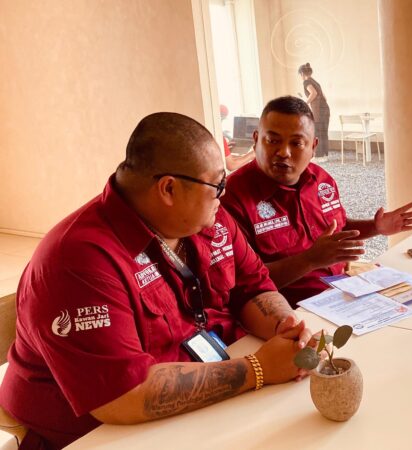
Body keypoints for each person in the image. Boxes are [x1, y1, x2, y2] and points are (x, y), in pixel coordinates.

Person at [0, 112, 313, 449]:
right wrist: (258, 369)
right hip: (101, 434)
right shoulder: (77, 261)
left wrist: (284, 326)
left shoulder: (204, 217)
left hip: (204, 401)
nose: (223, 195)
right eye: (217, 185)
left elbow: (253, 286)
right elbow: (123, 395)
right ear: (169, 189)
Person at [221, 96, 412, 307]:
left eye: (296, 143)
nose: (283, 152)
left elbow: (337, 228)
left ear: (313, 146)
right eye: (273, 141)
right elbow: (244, 283)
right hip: (289, 311)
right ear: (255, 139)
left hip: (343, 292)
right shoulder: (231, 197)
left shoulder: (321, 180)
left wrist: (376, 227)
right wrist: (309, 260)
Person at [298, 63, 330, 161]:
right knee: (324, 132)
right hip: (325, 109)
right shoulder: (315, 82)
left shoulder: (306, 82)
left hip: (319, 111)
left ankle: (319, 156)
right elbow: (324, 97)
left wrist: (305, 102)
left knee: (317, 132)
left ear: (302, 73)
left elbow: (313, 93)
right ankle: (324, 155)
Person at [219, 104, 255, 172]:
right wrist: (252, 155)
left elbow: (228, 159)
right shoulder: (220, 137)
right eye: (222, 119)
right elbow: (231, 165)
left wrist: (247, 157)